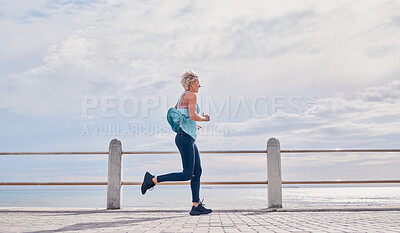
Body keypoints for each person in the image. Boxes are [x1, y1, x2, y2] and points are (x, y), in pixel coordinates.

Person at [141, 70, 212, 216]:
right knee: (187, 174)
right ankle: (152, 180)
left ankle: (196, 205)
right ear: (191, 83)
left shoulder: (182, 97)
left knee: (197, 172)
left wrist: (190, 124)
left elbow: (176, 114)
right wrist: (204, 119)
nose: (200, 85)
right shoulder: (191, 95)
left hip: (187, 137)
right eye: (198, 82)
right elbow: (192, 114)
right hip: (185, 137)